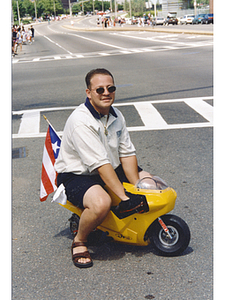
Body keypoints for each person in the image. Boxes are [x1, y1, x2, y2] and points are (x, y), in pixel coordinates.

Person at [55, 68, 151, 268]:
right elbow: (99, 164)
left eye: (110, 88)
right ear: (88, 93)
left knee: (149, 182)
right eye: (99, 90)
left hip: (109, 167)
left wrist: (136, 187)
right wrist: (125, 198)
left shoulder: (117, 115)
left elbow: (126, 153)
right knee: (101, 203)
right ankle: (80, 240)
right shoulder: (81, 121)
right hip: (78, 175)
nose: (106, 93)